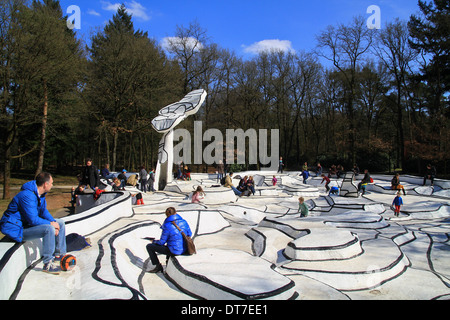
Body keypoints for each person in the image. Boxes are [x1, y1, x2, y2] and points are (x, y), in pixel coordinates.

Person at [0, 172, 67, 274]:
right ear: (45, 184)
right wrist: (51, 224)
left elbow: (43, 211)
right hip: (16, 229)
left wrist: (53, 221)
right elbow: (33, 220)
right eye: (51, 183)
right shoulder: (27, 195)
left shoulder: (40, 195)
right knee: (48, 229)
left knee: (60, 223)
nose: (52, 185)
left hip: (25, 224)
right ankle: (48, 263)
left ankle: (59, 255)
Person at [146, 207, 193, 273]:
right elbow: (189, 234)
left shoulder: (167, 225)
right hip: (185, 249)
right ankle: (167, 261)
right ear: (176, 213)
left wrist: (153, 241)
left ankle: (158, 266)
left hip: (175, 251)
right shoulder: (184, 222)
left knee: (149, 246)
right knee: (171, 244)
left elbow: (161, 242)